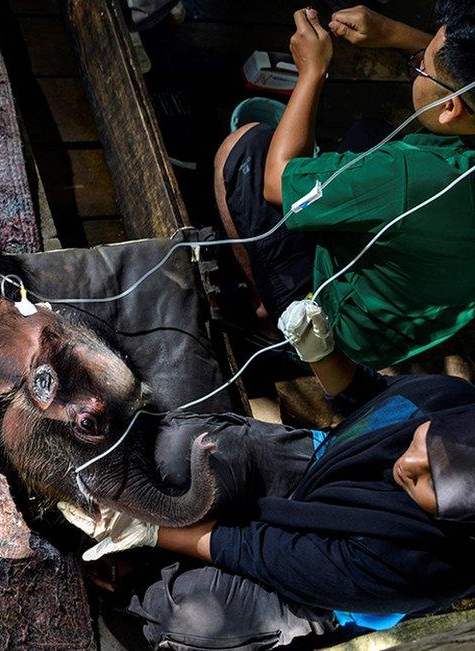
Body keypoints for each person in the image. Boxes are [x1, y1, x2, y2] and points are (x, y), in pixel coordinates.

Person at [60, 299, 475, 649]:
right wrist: (321, 352)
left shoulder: (420, 568)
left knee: (191, 611)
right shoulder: (452, 400)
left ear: (457, 521)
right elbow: (372, 397)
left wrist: (151, 533)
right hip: (320, 466)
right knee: (178, 449)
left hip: (327, 584)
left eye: (432, 482)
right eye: (427, 442)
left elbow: (260, 549)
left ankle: (137, 587)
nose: (408, 463)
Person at [214, 2, 475, 369]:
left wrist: (312, 70)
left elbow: (277, 182)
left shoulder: (403, 176)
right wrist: (392, 33)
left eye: (423, 68)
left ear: (452, 108)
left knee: (244, 148)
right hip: (427, 299)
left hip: (345, 330)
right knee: (365, 133)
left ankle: (273, 318)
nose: (418, 68)